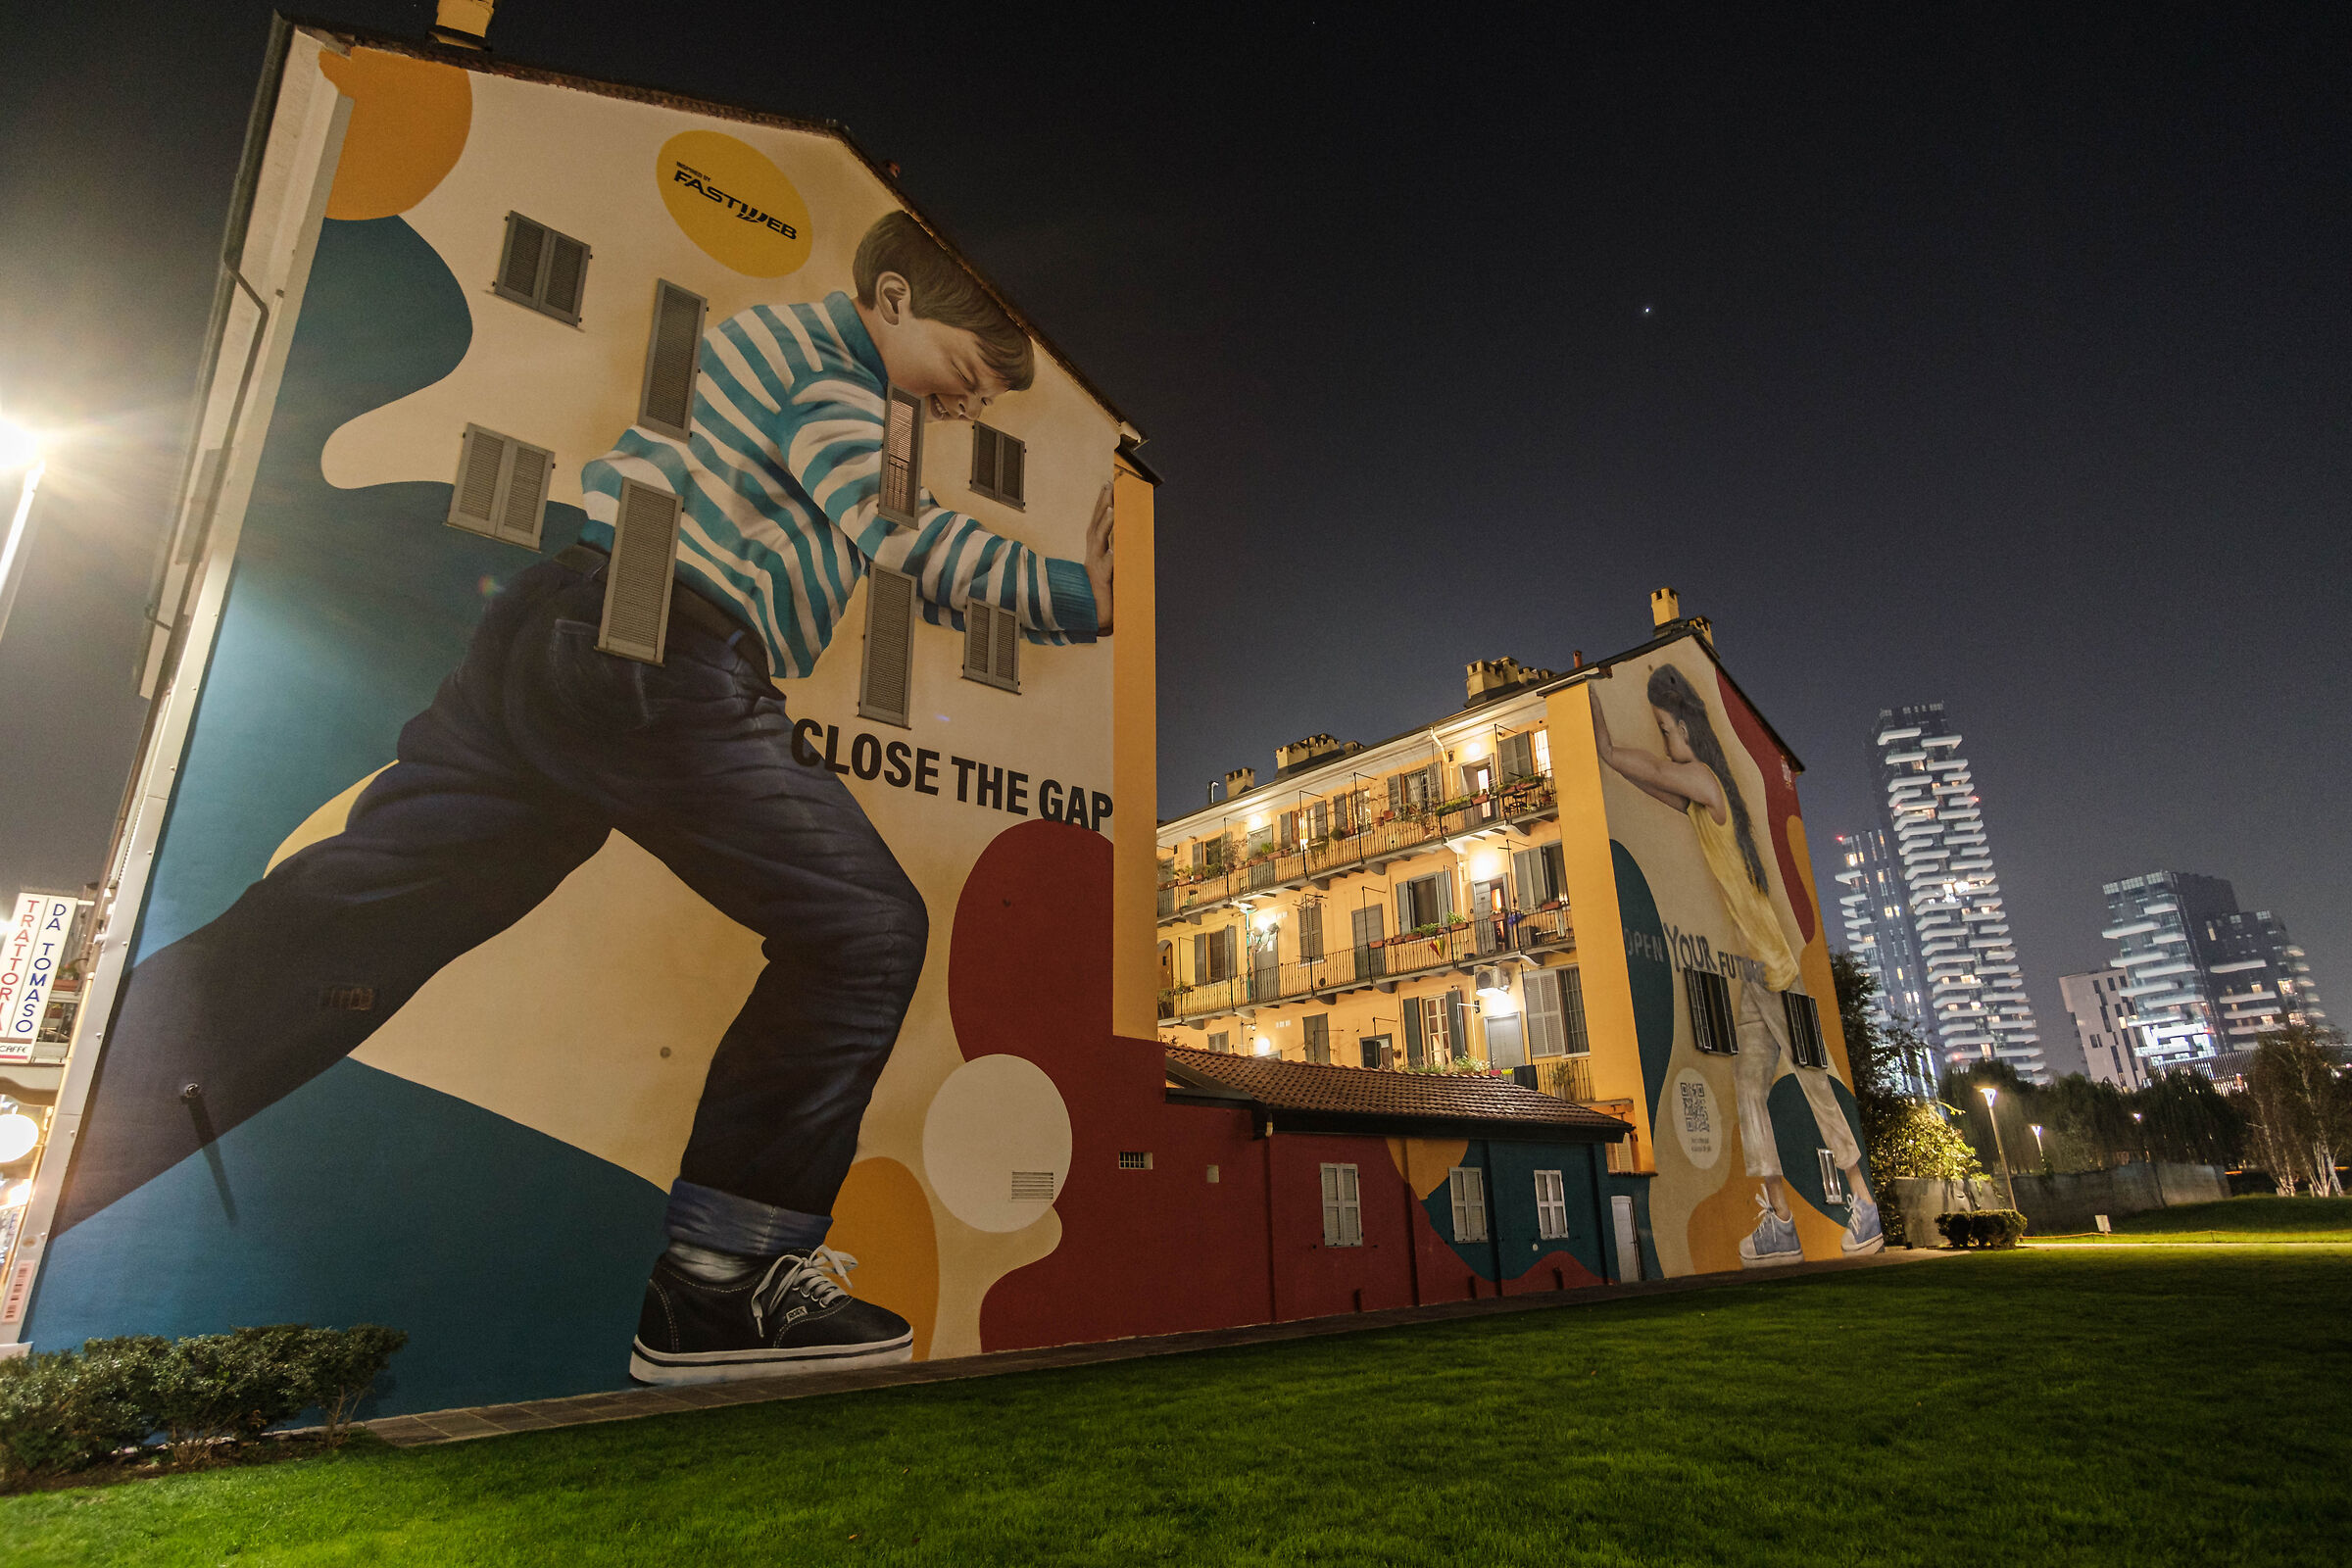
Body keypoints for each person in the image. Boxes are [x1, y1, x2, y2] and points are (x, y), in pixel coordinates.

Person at [66, 212, 1113, 1384]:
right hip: (659, 651)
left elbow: (878, 547)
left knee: (357, 917)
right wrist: (1081, 593)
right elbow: (902, 528)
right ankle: (720, 1286)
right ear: (895, 299)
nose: (975, 405)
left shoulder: (810, 381)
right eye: (971, 376)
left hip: (555, 624)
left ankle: (76, 1135)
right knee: (868, 932)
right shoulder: (838, 383)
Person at [1592, 663, 1882, 1265]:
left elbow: (1657, 770)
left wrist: (1608, 741)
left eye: (1668, 729)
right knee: (1747, 1090)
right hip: (1752, 977)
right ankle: (1780, 1220)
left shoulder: (1709, 782)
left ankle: (1862, 1202)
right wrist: (1603, 743)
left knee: (1813, 1084)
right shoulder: (1698, 797)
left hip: (1777, 970)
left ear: (1690, 730)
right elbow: (1648, 778)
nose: (1665, 739)